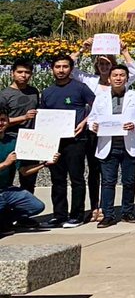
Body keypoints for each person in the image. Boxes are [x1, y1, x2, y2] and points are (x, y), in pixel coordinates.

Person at [40, 53, 95, 227]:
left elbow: (98, 106)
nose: (61, 70)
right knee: (57, 180)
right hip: (54, 142)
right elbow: (43, 117)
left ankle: (77, 215)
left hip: (76, 140)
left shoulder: (80, 88)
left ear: (71, 69)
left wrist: (84, 123)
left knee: (76, 178)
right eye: (58, 67)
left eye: (65, 67)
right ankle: (59, 215)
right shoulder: (47, 92)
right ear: (52, 70)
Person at [92, 63, 135, 227]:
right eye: (115, 75)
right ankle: (108, 214)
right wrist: (93, 126)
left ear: (126, 78)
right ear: (109, 78)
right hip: (108, 145)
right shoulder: (100, 97)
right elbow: (92, 118)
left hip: (128, 144)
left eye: (122, 75)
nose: (118, 78)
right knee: (108, 182)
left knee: (129, 181)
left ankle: (127, 212)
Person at [0, 115, 55, 232]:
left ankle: (4, 221)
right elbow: (7, 163)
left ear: (8, 121)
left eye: (3, 120)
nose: (0, 123)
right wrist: (5, 164)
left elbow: (24, 171)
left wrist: (44, 164)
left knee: (36, 206)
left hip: (6, 190)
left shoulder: (12, 142)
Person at [0, 60, 40, 191]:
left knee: (29, 179)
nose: (24, 75)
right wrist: (24, 117)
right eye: (20, 72)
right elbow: (2, 121)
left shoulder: (34, 91)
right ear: (12, 74)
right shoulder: (4, 95)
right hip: (10, 138)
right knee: (6, 177)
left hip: (30, 139)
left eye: (27, 72)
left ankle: (28, 208)